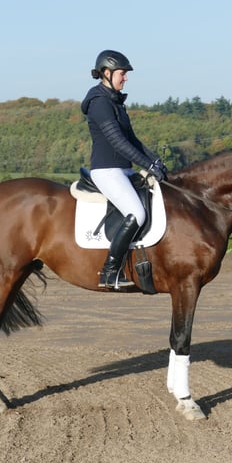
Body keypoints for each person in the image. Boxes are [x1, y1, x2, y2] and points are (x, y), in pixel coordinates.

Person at [80, 50, 167, 289]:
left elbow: (133, 140)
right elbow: (118, 142)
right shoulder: (99, 103)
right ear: (106, 73)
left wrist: (155, 160)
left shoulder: (116, 102)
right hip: (107, 170)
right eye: (122, 73)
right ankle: (109, 272)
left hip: (123, 169)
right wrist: (146, 165)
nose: (125, 78)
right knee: (137, 214)